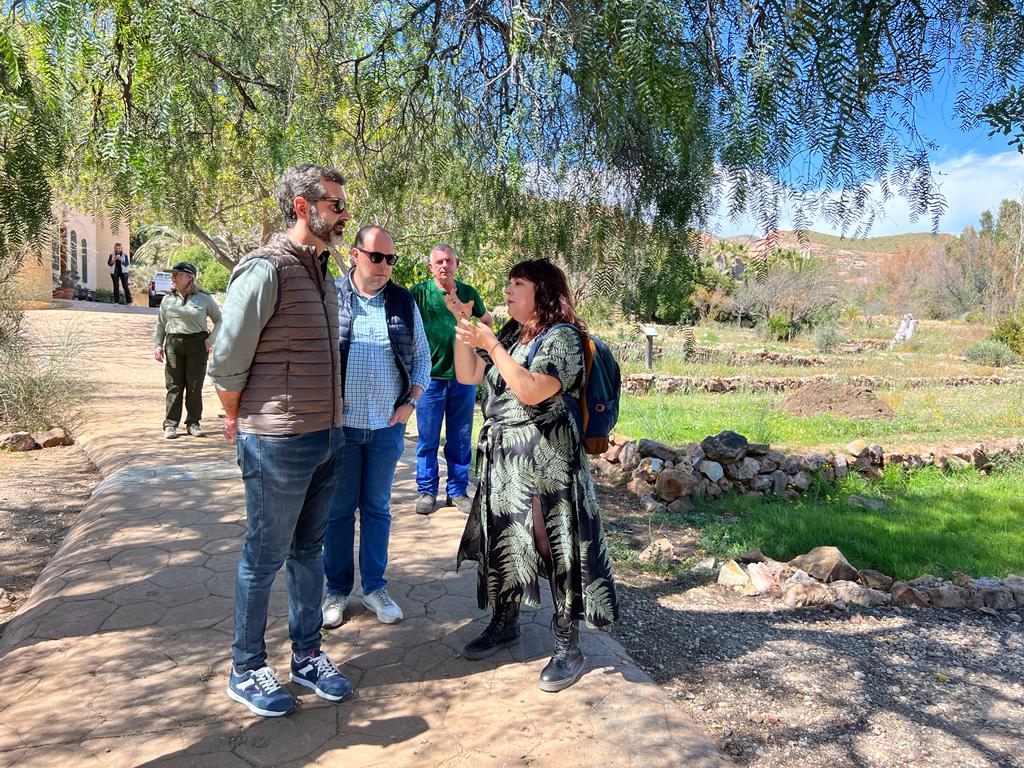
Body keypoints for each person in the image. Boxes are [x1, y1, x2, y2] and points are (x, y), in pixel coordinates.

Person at [207, 164, 352, 718]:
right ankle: (246, 669)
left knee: (308, 553)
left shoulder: (320, 271)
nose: (343, 215)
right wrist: (237, 418)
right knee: (262, 559)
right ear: (301, 206)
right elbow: (226, 358)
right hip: (276, 441)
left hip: (326, 437)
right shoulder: (264, 270)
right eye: (334, 205)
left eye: (342, 205)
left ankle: (308, 656)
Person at [445, 258, 619, 692]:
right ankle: (505, 623)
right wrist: (465, 332)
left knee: (551, 545)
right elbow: (468, 375)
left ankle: (568, 644)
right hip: (504, 458)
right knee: (504, 539)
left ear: (541, 290)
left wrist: (494, 346)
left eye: (516, 284)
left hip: (546, 462)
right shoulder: (510, 333)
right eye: (507, 283)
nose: (507, 291)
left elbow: (531, 389)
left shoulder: (562, 339)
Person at [321, 225, 431, 629]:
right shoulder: (330, 296)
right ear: (354, 255)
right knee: (337, 512)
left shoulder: (403, 301)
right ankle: (335, 591)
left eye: (391, 259)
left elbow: (422, 358)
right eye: (376, 257)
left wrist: (410, 404)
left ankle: (374, 589)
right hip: (342, 427)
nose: (385, 266)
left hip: (386, 428)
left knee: (377, 509)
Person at [410, 244, 492, 516]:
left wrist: (478, 342)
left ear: (456, 263)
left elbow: (487, 321)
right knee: (428, 437)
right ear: (431, 267)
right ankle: (427, 490)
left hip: (463, 378)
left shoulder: (468, 293)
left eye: (448, 261)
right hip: (430, 378)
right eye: (438, 262)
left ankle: (457, 491)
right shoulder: (419, 293)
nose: (444, 266)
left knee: (459, 436)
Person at [153, 262, 222, 439]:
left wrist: (210, 340)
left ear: (189, 278)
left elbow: (220, 320)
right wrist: (158, 345)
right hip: (174, 343)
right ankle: (170, 424)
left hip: (197, 344)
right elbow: (161, 325)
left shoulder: (204, 298)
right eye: (173, 274)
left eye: (177, 274)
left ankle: (193, 423)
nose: (173, 277)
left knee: (194, 386)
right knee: (174, 385)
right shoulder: (167, 299)